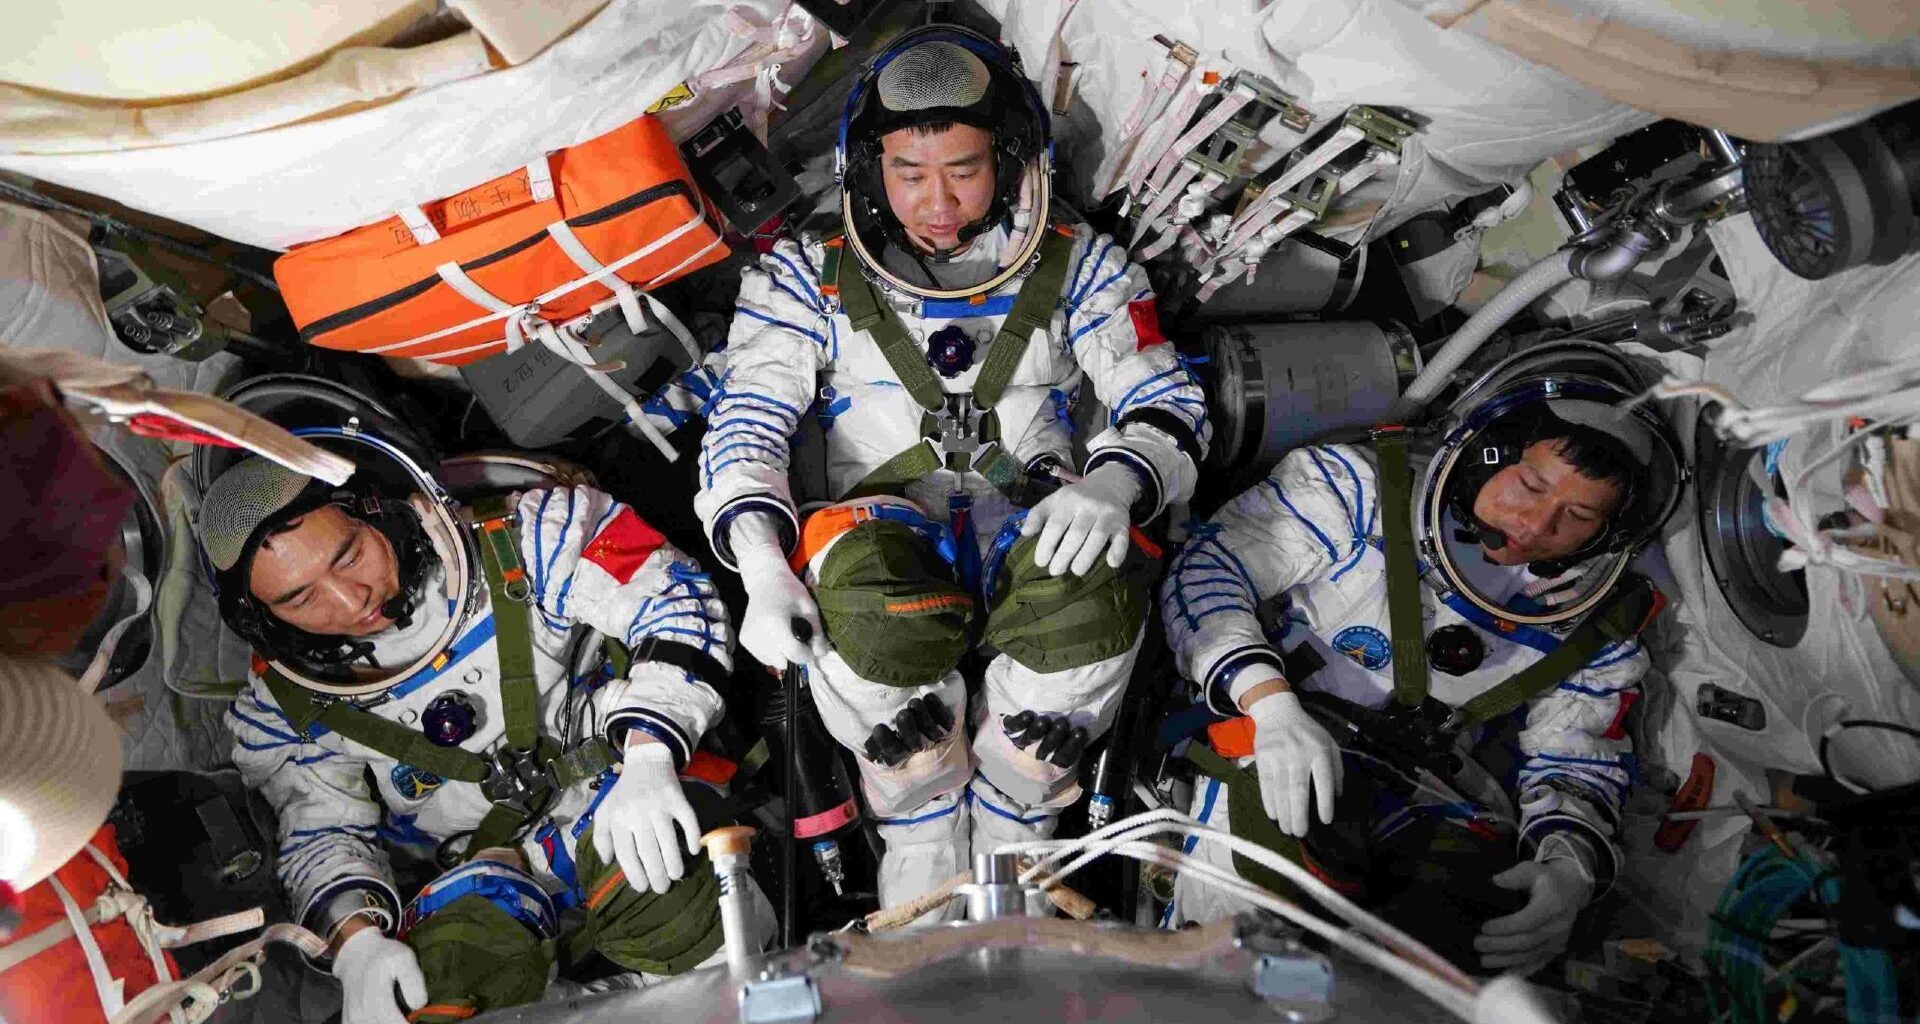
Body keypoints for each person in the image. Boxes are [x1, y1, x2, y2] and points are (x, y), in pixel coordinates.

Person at [695, 25, 1209, 915]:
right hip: (883, 561)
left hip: (1039, 539)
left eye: (964, 170)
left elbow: (1165, 398)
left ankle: (1022, 818)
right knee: (874, 635)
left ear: (1010, 161)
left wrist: (1114, 484)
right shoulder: (804, 278)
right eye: (908, 173)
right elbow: (749, 421)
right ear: (867, 170)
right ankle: (917, 825)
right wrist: (764, 567)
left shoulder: (1082, 266)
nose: (938, 202)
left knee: (1093, 580)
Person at [1160, 356, 1684, 976]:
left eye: (1578, 516)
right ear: (1490, 452)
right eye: (1533, 486)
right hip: (1278, 740)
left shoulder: (1595, 626)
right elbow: (1206, 572)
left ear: (1607, 532)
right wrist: (1269, 703)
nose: (1535, 524)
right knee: (1259, 916)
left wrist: (1567, 867)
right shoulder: (1357, 493)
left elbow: (1573, 759)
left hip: (1429, 794)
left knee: (1489, 928)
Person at [209, 432, 749, 1024]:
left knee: (690, 921)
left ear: (379, 509)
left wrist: (651, 754)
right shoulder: (288, 707)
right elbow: (320, 832)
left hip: (624, 795)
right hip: (482, 881)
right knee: (438, 995)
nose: (348, 598)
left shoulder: (532, 537)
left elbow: (673, 601)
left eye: (349, 555)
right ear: (263, 618)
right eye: (301, 598)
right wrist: (355, 941)